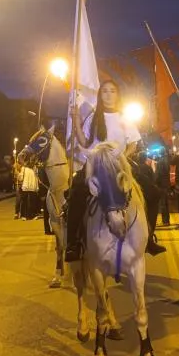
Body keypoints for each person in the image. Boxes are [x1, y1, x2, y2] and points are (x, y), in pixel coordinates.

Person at [64, 79, 165, 262]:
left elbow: (133, 144)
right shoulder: (93, 118)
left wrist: (122, 158)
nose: (109, 95)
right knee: (76, 193)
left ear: (117, 95)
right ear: (100, 95)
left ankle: (149, 237)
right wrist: (76, 121)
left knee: (154, 193)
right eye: (105, 91)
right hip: (95, 165)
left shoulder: (124, 118)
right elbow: (85, 143)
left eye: (112, 91)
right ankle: (72, 244)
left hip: (120, 164)